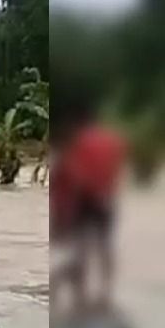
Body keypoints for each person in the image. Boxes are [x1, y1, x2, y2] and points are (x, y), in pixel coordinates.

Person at [54, 109, 125, 312]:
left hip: (85, 199)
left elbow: (76, 175)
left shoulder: (79, 143)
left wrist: (65, 210)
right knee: (105, 248)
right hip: (106, 198)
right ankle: (105, 294)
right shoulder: (113, 142)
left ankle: (80, 297)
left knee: (81, 249)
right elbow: (116, 171)